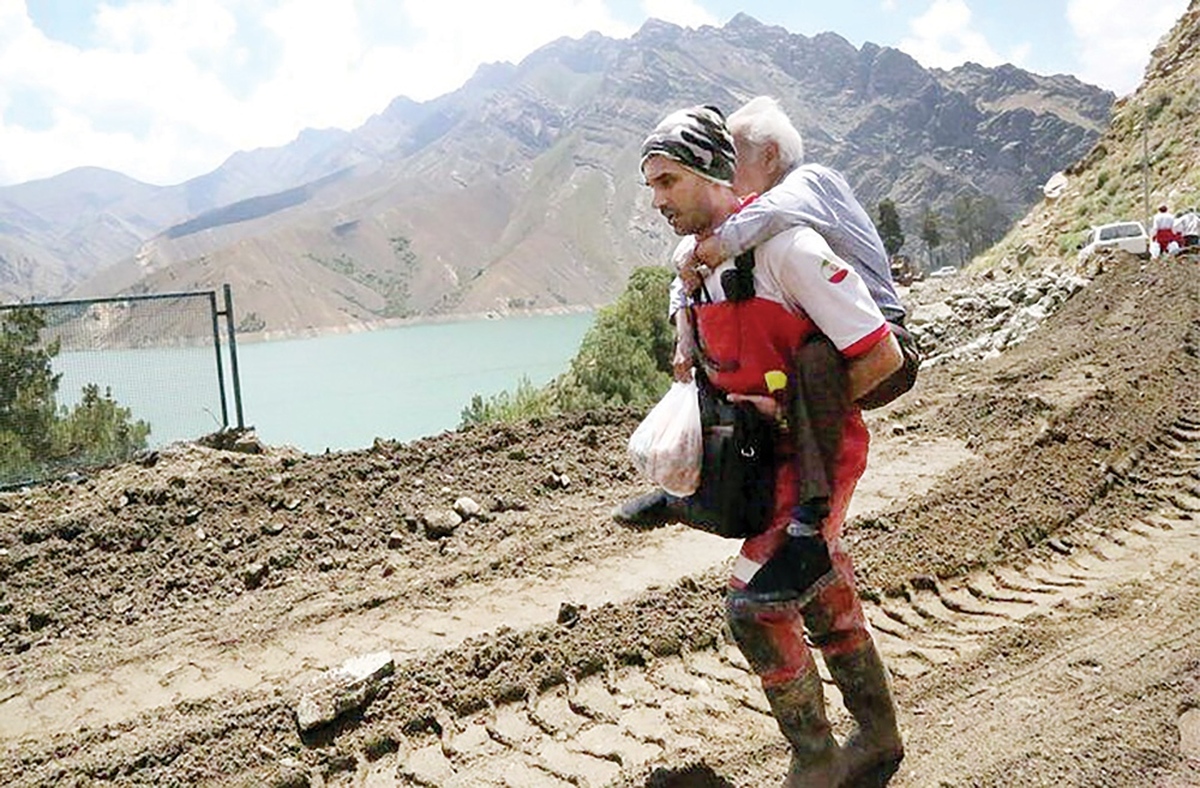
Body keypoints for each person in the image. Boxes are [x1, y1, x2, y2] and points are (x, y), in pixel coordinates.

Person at [636, 104, 905, 787]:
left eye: (667, 181)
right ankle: (877, 739)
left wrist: (792, 414)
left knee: (754, 603)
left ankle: (815, 763)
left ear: (707, 171)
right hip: (760, 467)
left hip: (819, 456)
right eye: (651, 187)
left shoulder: (789, 250)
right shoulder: (694, 272)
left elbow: (881, 359)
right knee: (820, 590)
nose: (658, 200)